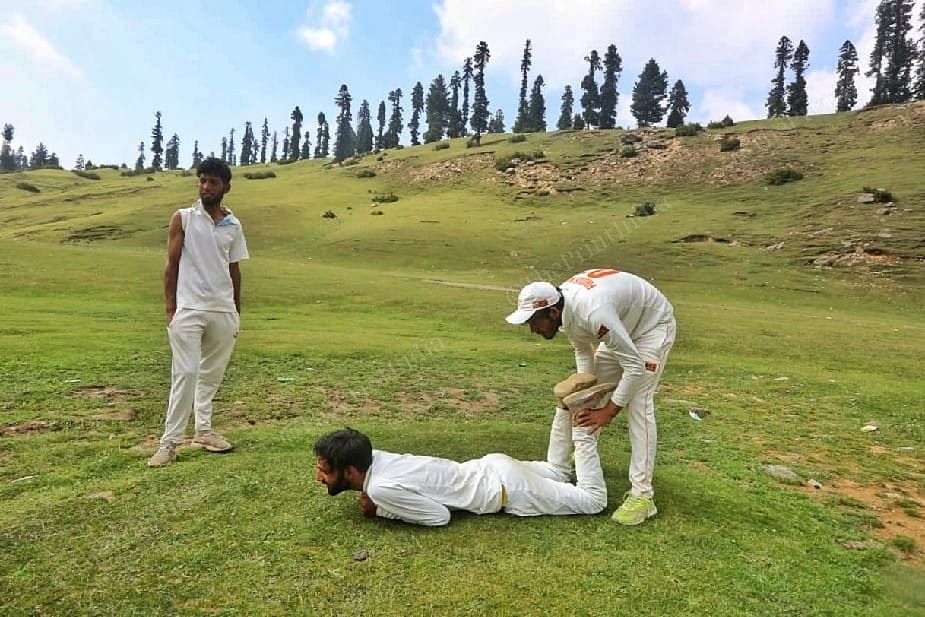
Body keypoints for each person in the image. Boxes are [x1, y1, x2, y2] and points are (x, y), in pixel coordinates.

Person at [313, 377, 611, 526]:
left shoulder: (378, 487)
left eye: (326, 471)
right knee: (559, 472)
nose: (319, 477)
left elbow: (438, 516)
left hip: (507, 489)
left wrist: (382, 510)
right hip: (491, 466)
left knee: (593, 501)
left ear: (351, 471)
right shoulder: (375, 455)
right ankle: (563, 407)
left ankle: (582, 426)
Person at [505, 268, 676, 525]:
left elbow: (634, 368)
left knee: (639, 404)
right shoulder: (564, 311)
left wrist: (609, 411)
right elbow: (582, 350)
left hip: (652, 327)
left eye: (533, 322)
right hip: (620, 325)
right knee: (591, 400)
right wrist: (585, 391)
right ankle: (585, 457)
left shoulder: (592, 313)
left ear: (552, 312)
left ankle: (643, 496)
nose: (532, 330)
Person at [147, 157, 249, 467]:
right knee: (186, 372)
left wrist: (236, 310)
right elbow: (171, 265)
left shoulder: (234, 224)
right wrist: (170, 308)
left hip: (222, 310)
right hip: (188, 309)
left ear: (226, 187)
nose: (206, 186)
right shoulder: (183, 218)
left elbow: (234, 270)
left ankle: (204, 431)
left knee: (210, 376)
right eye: (202, 180)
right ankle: (169, 443)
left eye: (213, 182)